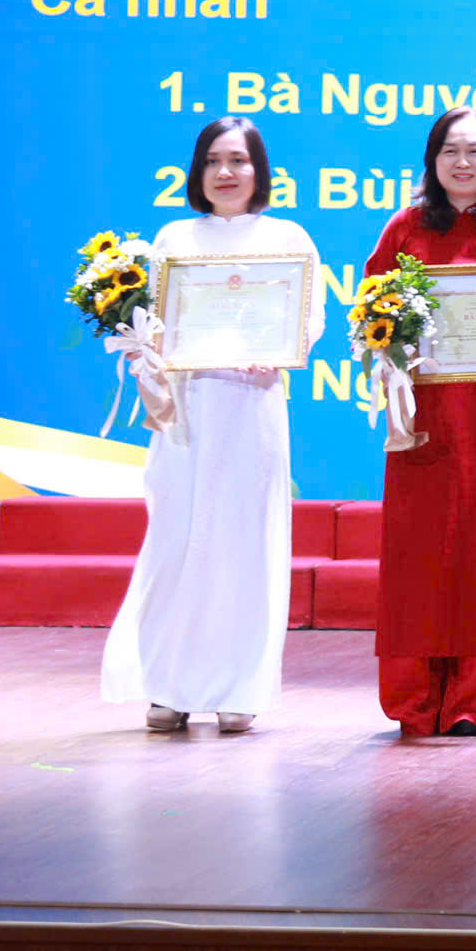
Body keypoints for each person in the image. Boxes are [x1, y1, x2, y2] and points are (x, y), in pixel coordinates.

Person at [103, 118, 322, 735]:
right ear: (197, 172)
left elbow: (309, 320)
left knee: (245, 546)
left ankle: (238, 688)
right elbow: (152, 322)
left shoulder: (289, 238)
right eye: (213, 161)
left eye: (239, 160)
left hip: (253, 409)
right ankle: (168, 687)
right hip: (186, 410)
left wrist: (280, 350)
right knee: (178, 540)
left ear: (260, 170)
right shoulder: (173, 239)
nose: (226, 173)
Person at [361, 106, 476, 737]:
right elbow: (372, 309)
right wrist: (388, 351)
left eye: (475, 150)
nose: (463, 162)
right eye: (450, 151)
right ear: (432, 161)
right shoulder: (404, 227)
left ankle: (474, 702)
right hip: (421, 417)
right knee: (418, 552)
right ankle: (414, 700)